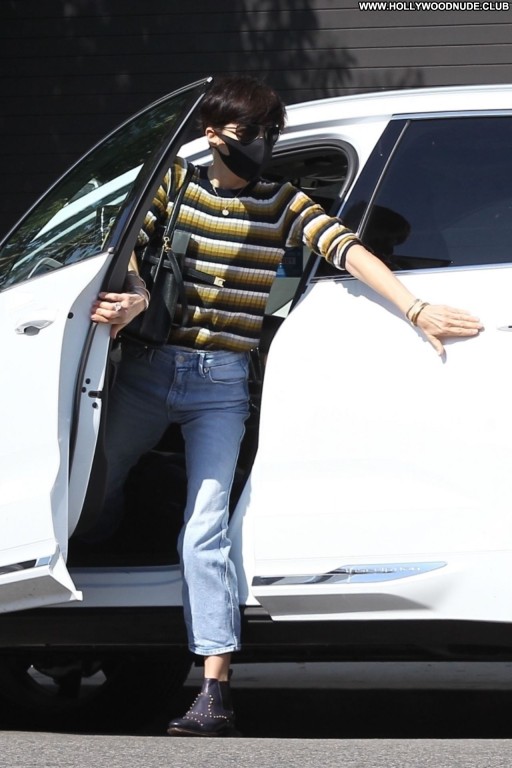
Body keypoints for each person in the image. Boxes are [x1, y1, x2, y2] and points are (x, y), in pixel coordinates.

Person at [89, 75, 482, 737]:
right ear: (213, 134)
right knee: (95, 492)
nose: (262, 144)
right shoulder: (173, 188)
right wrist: (133, 297)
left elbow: (348, 250)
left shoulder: (281, 202)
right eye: (250, 133)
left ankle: (214, 690)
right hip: (149, 373)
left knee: (204, 530)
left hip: (222, 385)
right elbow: (125, 253)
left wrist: (417, 310)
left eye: (270, 133)